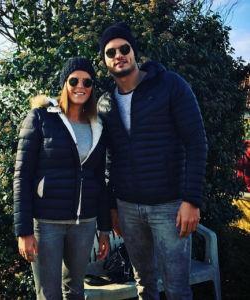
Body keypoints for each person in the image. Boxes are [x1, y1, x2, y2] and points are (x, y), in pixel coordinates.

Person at [97, 22, 207, 300]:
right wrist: (112, 207)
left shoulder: (169, 84)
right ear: (105, 61)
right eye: (111, 52)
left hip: (170, 207)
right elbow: (110, 160)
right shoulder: (105, 104)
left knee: (177, 290)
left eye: (124, 48)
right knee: (144, 286)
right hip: (128, 209)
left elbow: (197, 141)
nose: (118, 55)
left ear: (134, 52)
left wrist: (192, 200)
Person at [14, 57, 111, 300]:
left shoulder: (97, 125)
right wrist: (24, 231)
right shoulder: (40, 118)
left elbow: (99, 180)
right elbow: (22, 177)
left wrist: (105, 229)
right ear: (64, 83)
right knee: (49, 294)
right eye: (74, 80)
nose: (81, 86)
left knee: (76, 290)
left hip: (85, 223)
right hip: (47, 224)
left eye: (87, 81)